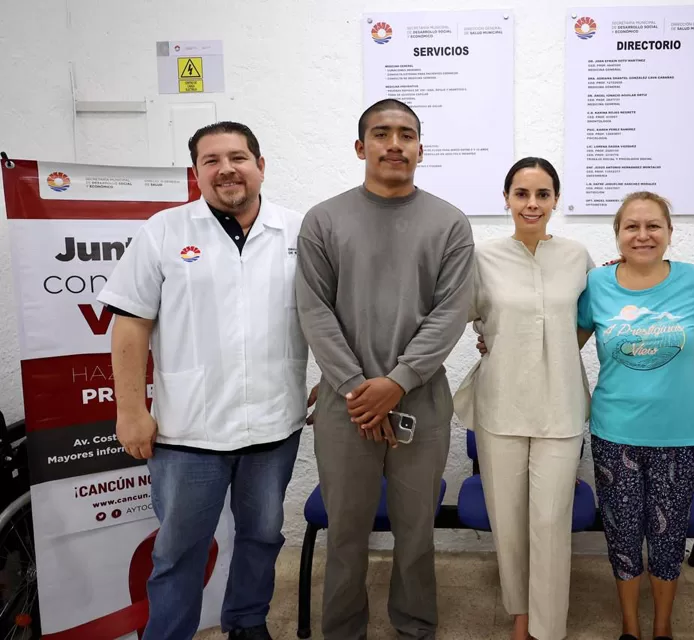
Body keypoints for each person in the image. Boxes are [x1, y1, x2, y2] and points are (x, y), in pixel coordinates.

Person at [96, 121, 308, 640]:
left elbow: (328, 312)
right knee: (178, 550)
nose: (226, 169)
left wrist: (338, 375)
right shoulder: (164, 231)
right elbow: (130, 327)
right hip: (188, 430)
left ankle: (247, 622)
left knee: (262, 537)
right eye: (211, 161)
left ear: (261, 166)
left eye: (238, 157)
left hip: (273, 425)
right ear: (196, 173)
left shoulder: (299, 231)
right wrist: (129, 410)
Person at [296, 98, 474, 640]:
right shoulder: (323, 220)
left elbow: (452, 312)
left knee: (415, 529)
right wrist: (358, 389)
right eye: (381, 133)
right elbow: (313, 310)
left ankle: (415, 624)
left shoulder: (449, 222)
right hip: (343, 405)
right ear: (361, 147)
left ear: (421, 149)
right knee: (345, 532)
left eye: (406, 134)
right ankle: (343, 629)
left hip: (419, 402)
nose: (394, 143)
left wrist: (395, 383)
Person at [453, 157, 593, 640]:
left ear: (556, 199)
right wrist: (495, 335)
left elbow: (595, 317)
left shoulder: (578, 257)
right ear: (507, 198)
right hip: (500, 406)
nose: (532, 204)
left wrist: (547, 342)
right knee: (509, 523)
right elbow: (463, 314)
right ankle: (520, 615)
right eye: (521, 194)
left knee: (551, 521)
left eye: (542, 194)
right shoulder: (482, 257)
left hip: (561, 407)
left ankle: (548, 627)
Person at [576, 192, 694, 640]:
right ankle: (629, 628)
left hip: (678, 435)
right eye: (632, 227)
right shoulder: (596, 285)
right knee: (622, 537)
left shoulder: (693, 281)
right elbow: (561, 342)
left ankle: (662, 628)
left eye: (653, 225)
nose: (643, 235)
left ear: (670, 233)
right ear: (617, 234)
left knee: (667, 538)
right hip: (614, 432)